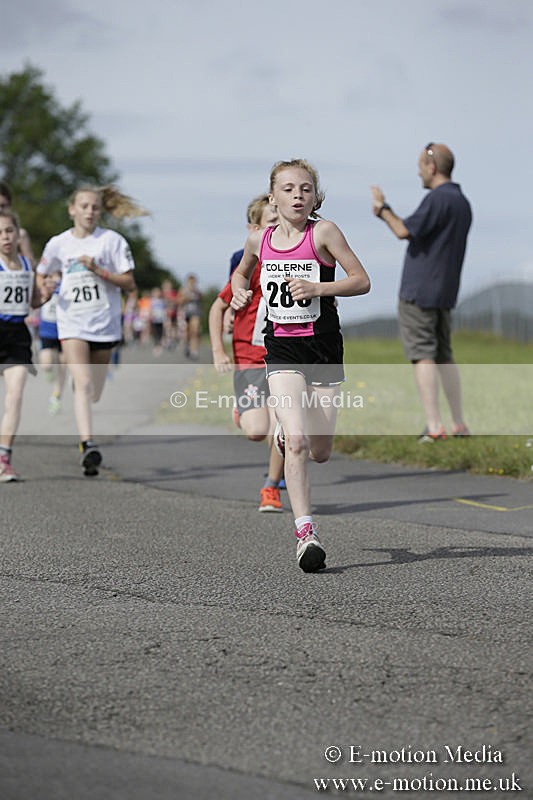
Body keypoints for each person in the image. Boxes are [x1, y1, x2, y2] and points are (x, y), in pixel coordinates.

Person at [231, 159, 370, 572]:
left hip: (323, 348)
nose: (297, 196)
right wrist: (240, 292)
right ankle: (306, 533)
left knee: (322, 451)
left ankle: (288, 435)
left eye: (306, 189)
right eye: (289, 189)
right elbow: (242, 275)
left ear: (315, 197)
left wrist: (318, 288)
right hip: (282, 350)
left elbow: (361, 280)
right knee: (298, 442)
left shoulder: (323, 232)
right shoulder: (259, 239)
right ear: (273, 197)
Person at [36, 184, 145, 476]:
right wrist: (44, 286)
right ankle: (88, 443)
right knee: (83, 385)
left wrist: (99, 270)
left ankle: (82, 394)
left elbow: (130, 284)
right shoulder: (59, 244)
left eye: (94, 207)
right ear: (72, 209)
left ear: (101, 210)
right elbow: (42, 273)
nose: (89, 211)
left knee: (93, 391)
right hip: (72, 321)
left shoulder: (112, 242)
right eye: (83, 206)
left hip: (105, 325)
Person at [371, 142, 472, 442]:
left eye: (420, 166)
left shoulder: (436, 200)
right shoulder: (462, 202)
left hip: (419, 290)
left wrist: (382, 210)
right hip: (446, 290)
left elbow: (403, 230)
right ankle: (458, 424)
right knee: (444, 355)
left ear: (432, 167)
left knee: (422, 356)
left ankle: (434, 426)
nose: (418, 172)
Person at [209, 193, 285, 513]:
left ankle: (271, 487)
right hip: (250, 356)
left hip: (285, 356)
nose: (278, 227)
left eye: (281, 221)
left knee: (281, 428)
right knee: (257, 431)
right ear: (254, 229)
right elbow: (218, 306)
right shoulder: (249, 263)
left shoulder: (297, 261)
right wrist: (218, 351)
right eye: (271, 222)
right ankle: (243, 410)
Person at [0, 210, 50, 481]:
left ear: (17, 233)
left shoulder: (27, 264)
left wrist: (46, 295)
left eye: (8, 231)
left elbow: (32, 301)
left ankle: (4, 458)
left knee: (15, 395)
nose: (5, 237)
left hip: (17, 335)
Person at [37, 274, 67, 415]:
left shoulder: (67, 280)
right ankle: (49, 372)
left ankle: (56, 396)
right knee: (47, 363)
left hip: (64, 330)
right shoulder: (44, 280)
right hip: (47, 330)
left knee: (62, 366)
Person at [0, 181, 35, 265]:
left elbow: (31, 267)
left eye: (3, 206)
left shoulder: (20, 234)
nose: (0, 210)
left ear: (10, 206)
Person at [178, 273, 202, 359]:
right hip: (186, 312)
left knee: (194, 331)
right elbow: (179, 302)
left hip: (195, 312)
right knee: (187, 332)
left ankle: (194, 350)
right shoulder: (184, 290)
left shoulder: (197, 291)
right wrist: (186, 297)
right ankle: (187, 346)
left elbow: (200, 300)